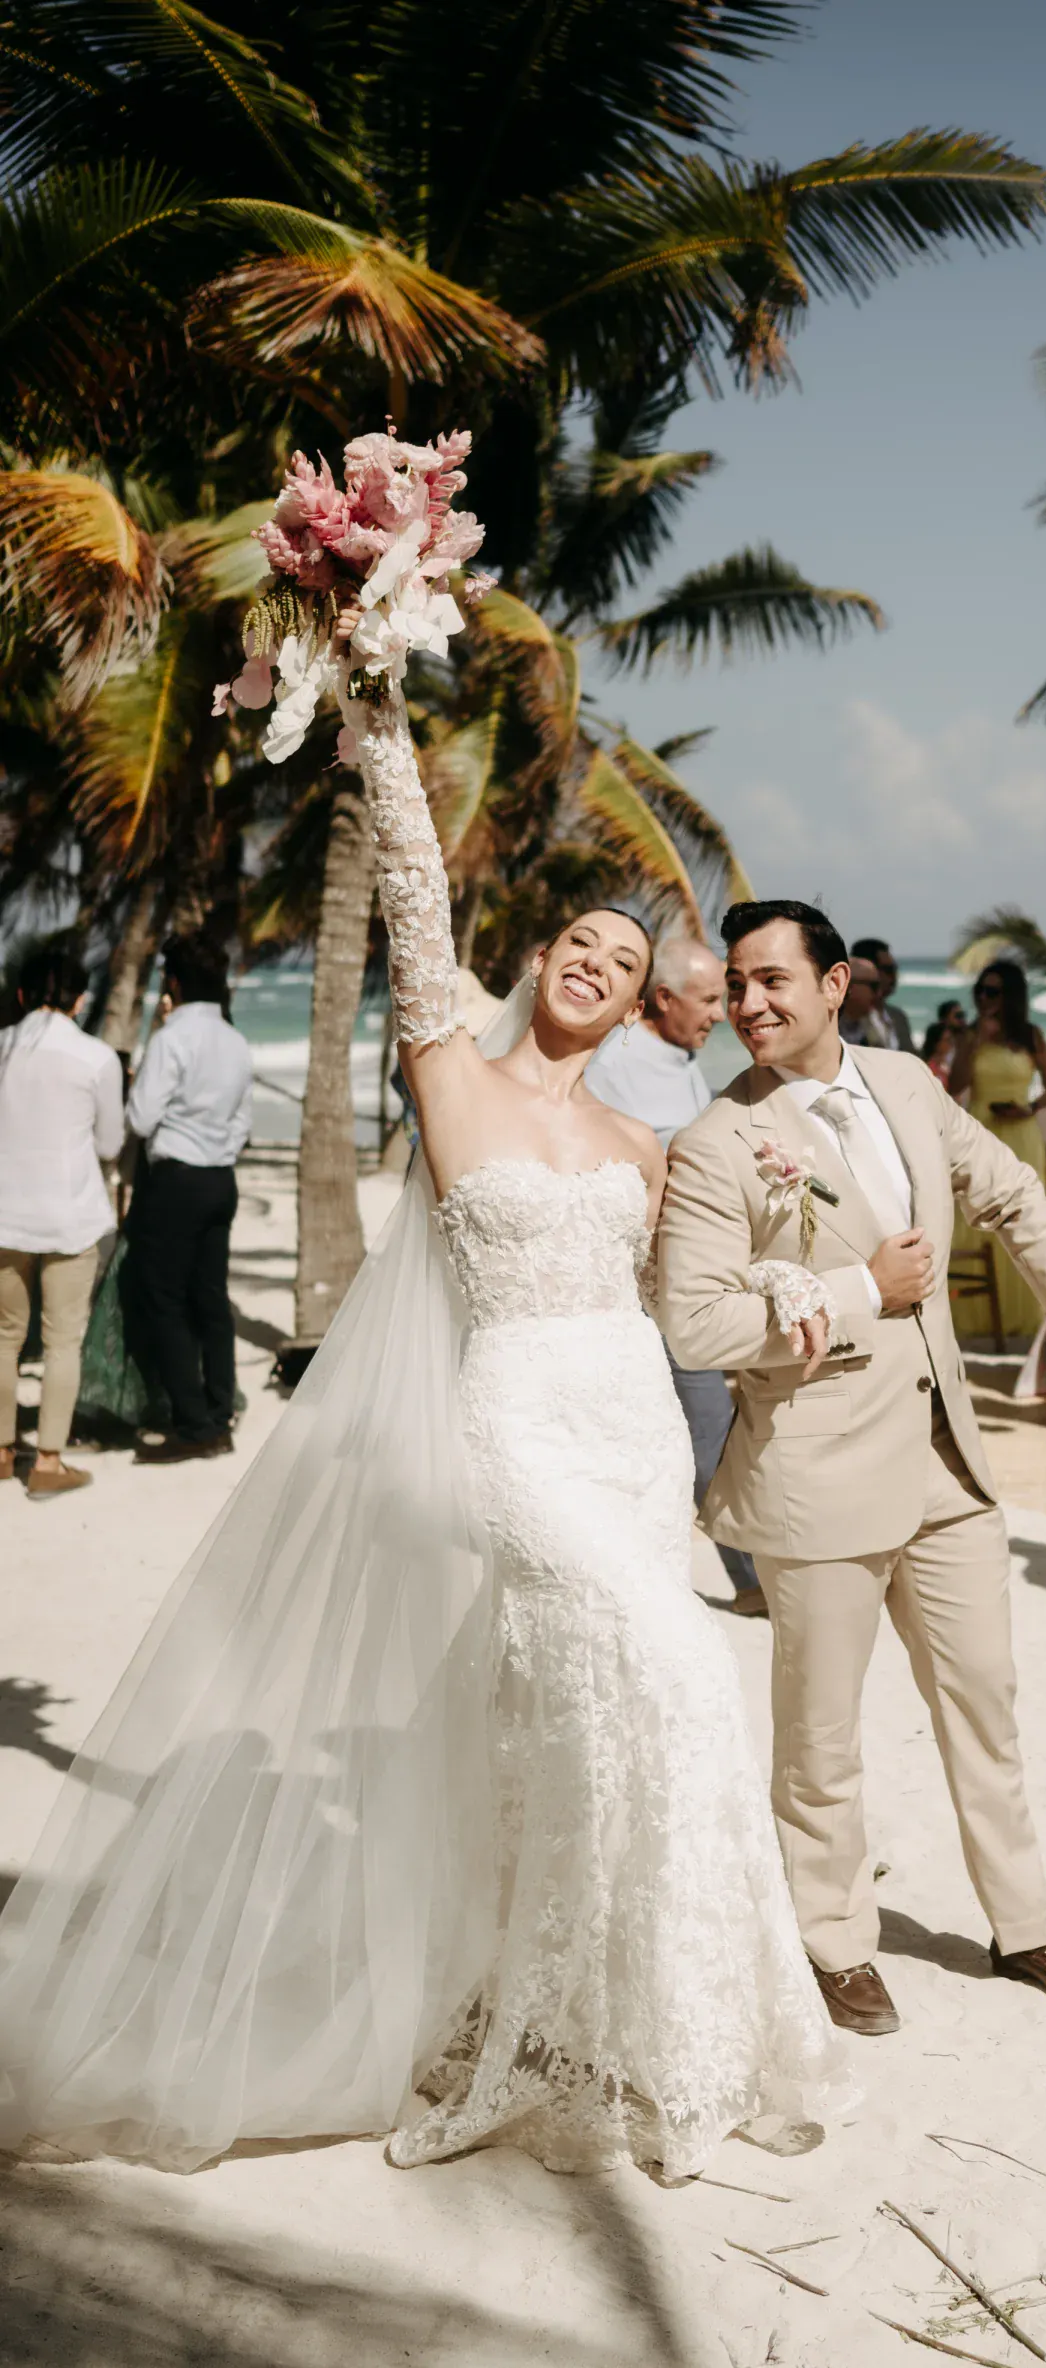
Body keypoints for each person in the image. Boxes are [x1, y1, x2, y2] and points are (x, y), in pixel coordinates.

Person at [0, 670, 845, 2178]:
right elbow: (411, 897)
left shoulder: (643, 1141)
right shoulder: (446, 1069)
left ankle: (627, 2012)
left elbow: (680, 1301)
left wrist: (793, 1274)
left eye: (625, 960)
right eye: (580, 944)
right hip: (520, 1425)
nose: (597, 964)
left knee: (600, 1718)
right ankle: (597, 2015)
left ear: (643, 1004)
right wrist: (379, 715)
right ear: (539, 963)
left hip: (633, 1433)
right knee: (677, 1683)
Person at [658, 899, 1046, 2038]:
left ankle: (1025, 1928)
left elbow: (1013, 1196)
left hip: (948, 1466)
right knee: (821, 1738)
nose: (748, 1003)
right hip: (816, 1477)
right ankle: (833, 1942)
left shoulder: (909, 1084)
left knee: (985, 1708)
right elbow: (693, 1324)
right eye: (736, 983)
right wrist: (863, 1288)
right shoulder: (718, 1140)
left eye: (772, 980)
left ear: (836, 985)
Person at [586, 933, 765, 1615]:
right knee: (703, 1427)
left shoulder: (683, 1060)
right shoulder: (611, 1063)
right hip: (634, 1292)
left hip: (690, 1283)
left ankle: (750, 1575)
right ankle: (748, 1578)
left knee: (709, 1427)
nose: (723, 1013)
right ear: (663, 997)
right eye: (711, 998)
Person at [121, 936, 253, 1464]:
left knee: (165, 1299)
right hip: (221, 1178)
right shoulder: (235, 1040)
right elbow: (241, 1122)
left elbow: (140, 1118)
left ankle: (195, 1425)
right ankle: (220, 1412)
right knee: (211, 1299)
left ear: (173, 983)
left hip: (176, 1179)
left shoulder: (171, 1038)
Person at [0, 942, 122, 1499]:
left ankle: (3, 1452)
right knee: (62, 1342)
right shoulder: (96, 1057)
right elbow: (110, 1142)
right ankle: (48, 1462)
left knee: (4, 1337)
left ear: (22, 994)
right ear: (78, 1000)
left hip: (5, 1212)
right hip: (70, 1214)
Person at [949, 960, 1046, 1343]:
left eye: (993, 992)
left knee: (1022, 1218)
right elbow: (955, 1087)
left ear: (1010, 995)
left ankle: (1021, 1312)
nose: (984, 998)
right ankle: (978, 1315)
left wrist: (1030, 1108)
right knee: (974, 1222)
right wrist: (974, 1043)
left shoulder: (1030, 1035)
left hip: (1021, 1133)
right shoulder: (970, 1035)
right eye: (980, 990)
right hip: (980, 1129)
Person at [851, 939, 913, 1051]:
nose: (894, 976)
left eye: (894, 969)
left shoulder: (897, 1017)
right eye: (888, 970)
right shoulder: (845, 1019)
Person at [839, 951, 890, 1045]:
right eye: (873, 986)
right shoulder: (823, 1025)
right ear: (847, 985)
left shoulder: (875, 1023)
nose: (879, 994)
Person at [920, 998, 968, 1086]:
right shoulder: (942, 1042)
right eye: (958, 1016)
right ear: (945, 1018)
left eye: (962, 1015)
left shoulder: (966, 1042)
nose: (961, 1019)